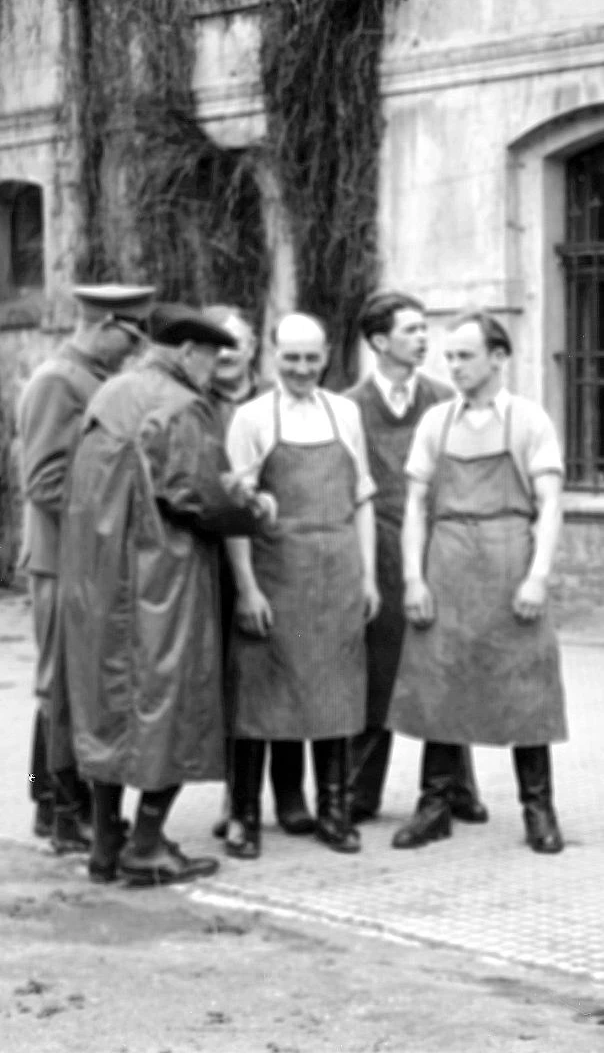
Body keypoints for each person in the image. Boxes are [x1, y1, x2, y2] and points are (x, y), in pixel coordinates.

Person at [60, 303, 276, 887]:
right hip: (162, 578)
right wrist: (252, 507)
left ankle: (106, 842)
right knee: (176, 707)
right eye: (211, 357)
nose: (215, 369)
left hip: (99, 580)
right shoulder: (182, 406)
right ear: (187, 352)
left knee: (107, 710)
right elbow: (197, 496)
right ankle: (148, 844)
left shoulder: (111, 394)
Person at [388, 310, 568, 854]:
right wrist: (413, 578)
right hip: (446, 564)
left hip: (509, 561)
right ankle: (435, 805)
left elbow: (550, 504)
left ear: (498, 358)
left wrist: (538, 576)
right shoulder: (436, 422)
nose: (455, 366)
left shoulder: (529, 420)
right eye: (450, 356)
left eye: (465, 356)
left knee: (525, 687)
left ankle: (539, 809)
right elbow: (415, 505)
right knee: (439, 683)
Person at [223, 313, 379, 858]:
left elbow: (362, 498)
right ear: (273, 356)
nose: (302, 369)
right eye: (291, 358)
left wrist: (368, 576)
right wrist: (247, 589)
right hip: (275, 572)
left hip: (336, 571)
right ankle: (243, 817)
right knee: (258, 696)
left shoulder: (346, 413)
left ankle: (334, 813)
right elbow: (236, 511)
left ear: (327, 356)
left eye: (312, 358)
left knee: (336, 692)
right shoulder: (250, 418)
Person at [18, 283, 154, 851]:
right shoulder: (58, 381)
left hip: (82, 563)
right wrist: (114, 520)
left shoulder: (90, 379)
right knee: (59, 690)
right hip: (61, 562)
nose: (136, 349)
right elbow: (44, 482)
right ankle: (58, 807)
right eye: (130, 336)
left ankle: (47, 803)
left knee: (69, 688)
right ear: (104, 325)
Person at [344, 291, 487, 829]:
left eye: (425, 328)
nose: (424, 338)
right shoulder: (350, 407)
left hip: (437, 551)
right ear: (379, 341)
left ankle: (454, 789)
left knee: (444, 667)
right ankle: (359, 791)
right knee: (376, 672)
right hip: (376, 552)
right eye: (411, 330)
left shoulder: (445, 400)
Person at [204, 307, 317, 841]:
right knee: (237, 681)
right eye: (218, 344)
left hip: (275, 558)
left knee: (285, 667)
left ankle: (290, 794)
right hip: (211, 558)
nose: (227, 353)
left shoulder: (279, 401)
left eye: (236, 342)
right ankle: (237, 795)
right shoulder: (196, 404)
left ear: (254, 349)